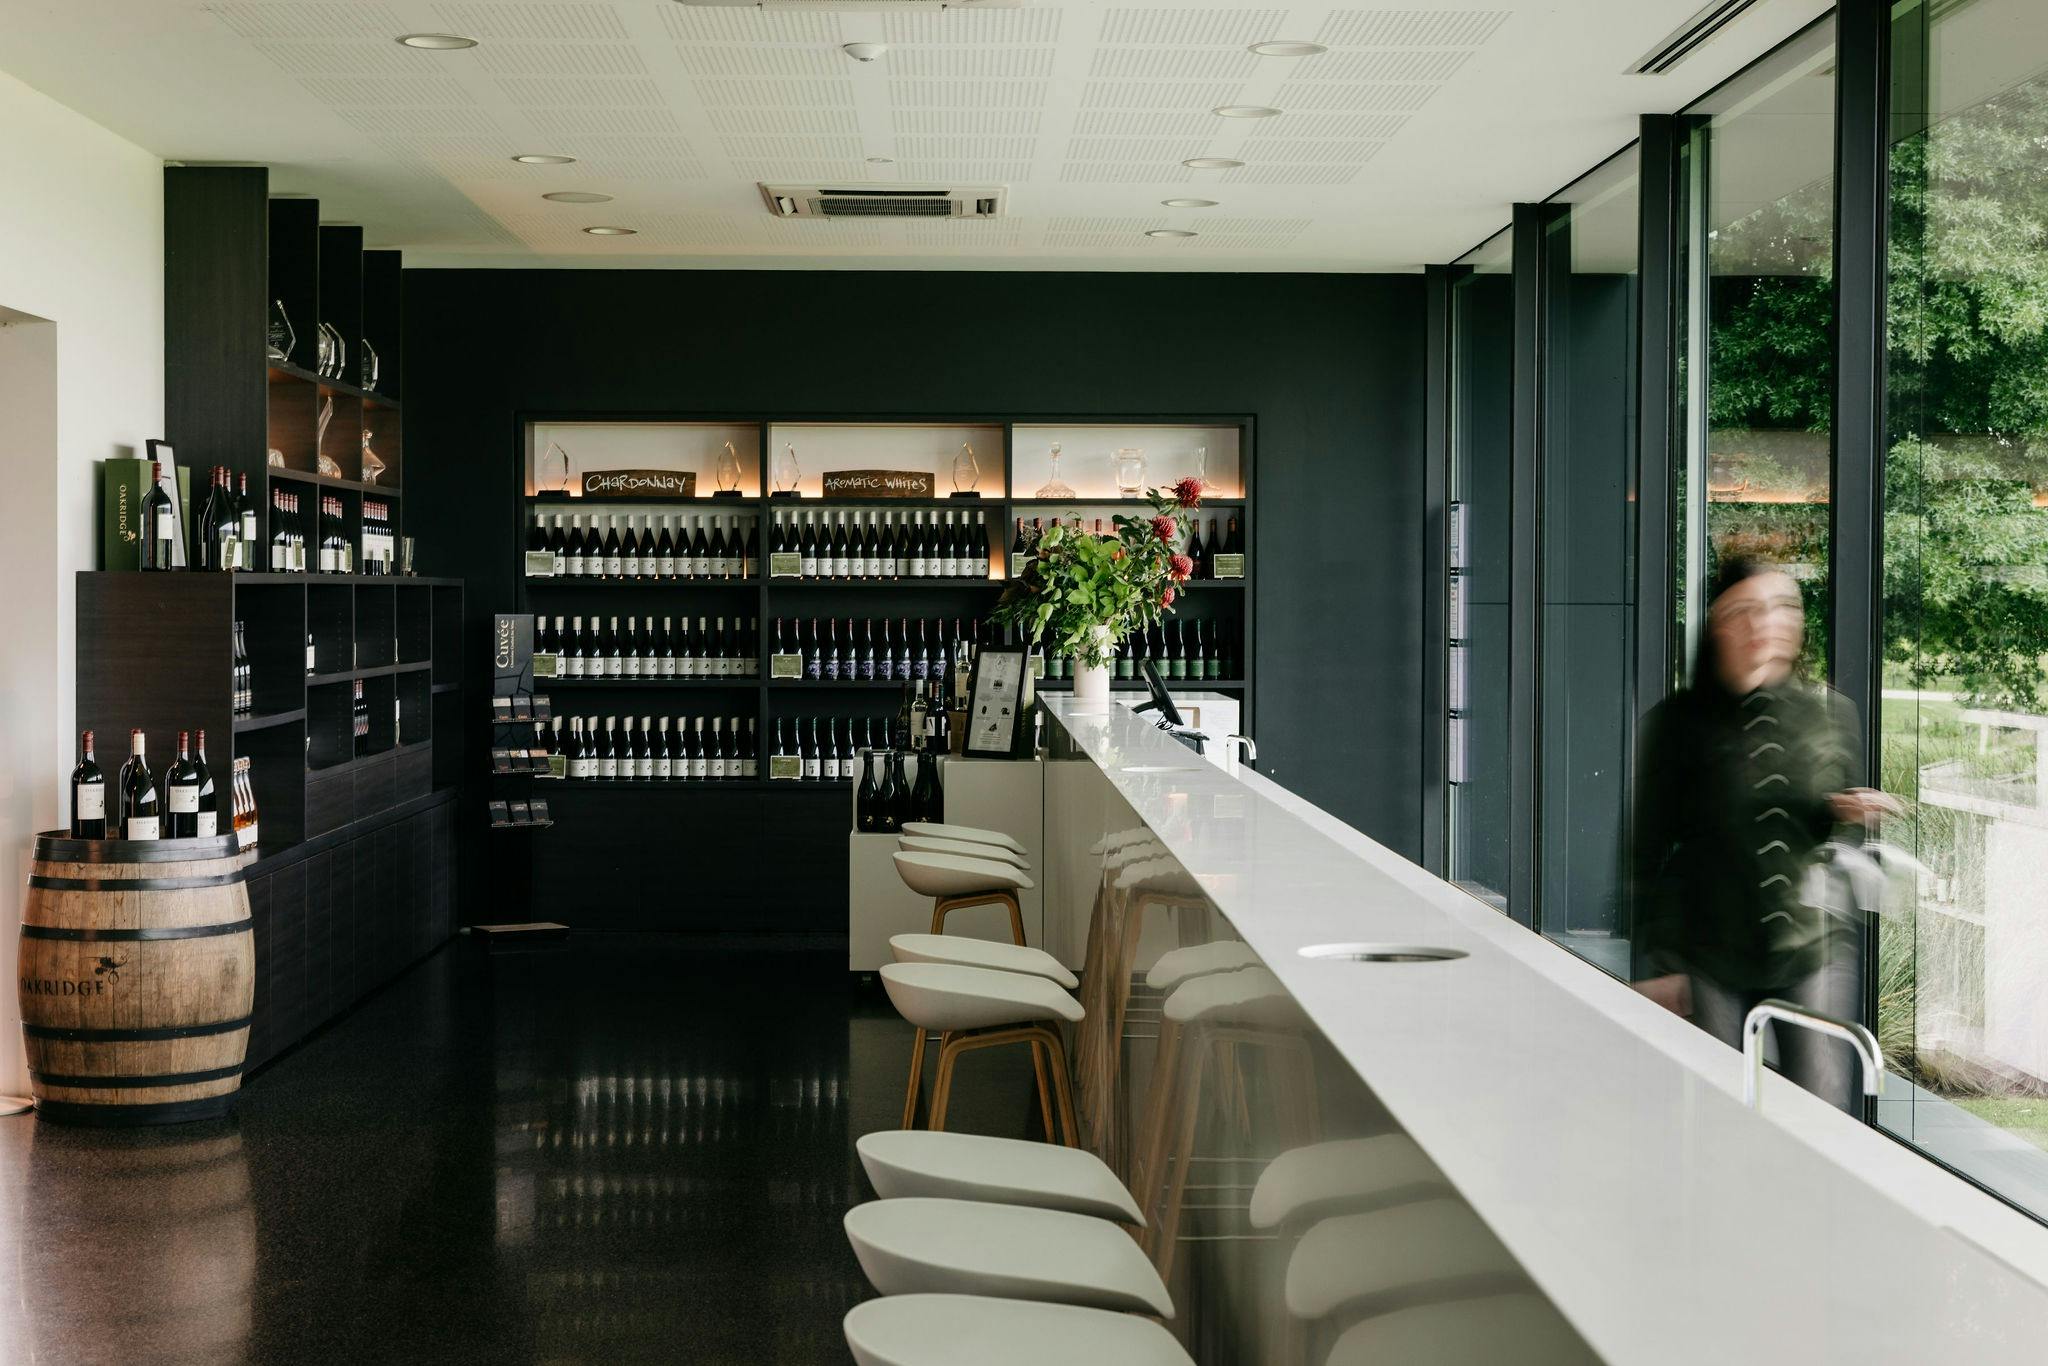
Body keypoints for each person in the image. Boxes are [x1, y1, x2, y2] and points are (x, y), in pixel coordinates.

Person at [1630, 557, 1897, 1110]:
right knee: (1712, 1111)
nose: (1767, 623)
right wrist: (1659, 963)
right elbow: (1645, 851)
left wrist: (1842, 815)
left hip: (1810, 944)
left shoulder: (1833, 713)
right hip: (1708, 948)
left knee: (1820, 1115)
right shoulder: (1676, 724)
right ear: (1717, 626)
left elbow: (1833, 840)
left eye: (1782, 607)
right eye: (1747, 610)